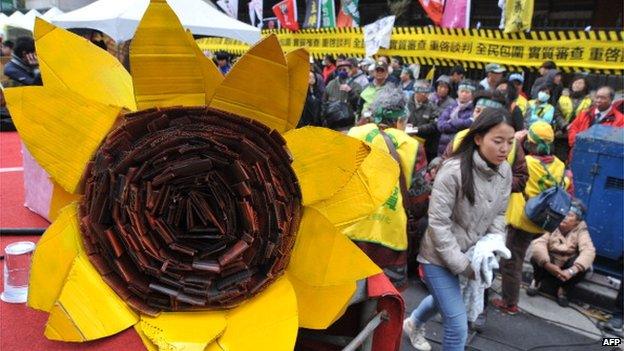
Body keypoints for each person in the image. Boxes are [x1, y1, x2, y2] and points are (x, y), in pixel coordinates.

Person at [403, 107, 514, 351]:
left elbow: (500, 212)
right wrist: (462, 265)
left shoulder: (505, 170)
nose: (505, 149)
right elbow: (438, 224)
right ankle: (415, 323)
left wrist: (493, 244)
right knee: (457, 323)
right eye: (498, 141)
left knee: (442, 300)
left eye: (510, 142)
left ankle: (413, 323)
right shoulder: (452, 171)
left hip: (473, 254)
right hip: (438, 257)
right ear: (478, 138)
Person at [442, 91, 528, 332]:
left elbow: (522, 177)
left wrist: (494, 184)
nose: (478, 115)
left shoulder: (512, 147)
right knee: (454, 268)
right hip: (459, 218)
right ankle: (447, 310)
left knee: (485, 267)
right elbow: (444, 169)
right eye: (477, 111)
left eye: (485, 112)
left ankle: (477, 312)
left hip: (491, 220)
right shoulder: (461, 137)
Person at [346, 86, 428, 289]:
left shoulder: (354, 133)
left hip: (350, 230)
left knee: (345, 295)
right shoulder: (412, 145)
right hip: (389, 237)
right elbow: (418, 201)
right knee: (384, 298)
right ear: (401, 119)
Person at [492, 121, 571, 315]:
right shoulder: (559, 165)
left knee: (511, 262)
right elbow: (566, 183)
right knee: (514, 257)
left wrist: (516, 142)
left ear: (531, 143)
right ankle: (509, 297)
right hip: (541, 221)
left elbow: (506, 167)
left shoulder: (528, 163)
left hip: (522, 219)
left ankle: (510, 303)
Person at [527, 198, 596, 307]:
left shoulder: (581, 229)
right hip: (550, 263)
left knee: (584, 266)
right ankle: (536, 281)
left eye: (570, 215)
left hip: (566, 269)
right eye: (565, 214)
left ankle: (563, 290)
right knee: (536, 257)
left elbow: (589, 250)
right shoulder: (552, 222)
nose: (565, 217)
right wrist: (547, 264)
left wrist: (572, 270)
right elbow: (538, 243)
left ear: (577, 221)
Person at [568, 86, 624, 150]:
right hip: (579, 152)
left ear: (611, 100)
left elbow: (618, 141)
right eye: (597, 97)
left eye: (603, 98)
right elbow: (573, 129)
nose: (598, 100)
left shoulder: (620, 119)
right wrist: (580, 143)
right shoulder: (584, 114)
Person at [436, 80, 475, 156]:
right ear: (458, 92)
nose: (464, 94)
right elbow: (440, 125)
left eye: (467, 92)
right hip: (443, 148)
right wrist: (460, 124)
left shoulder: (473, 110)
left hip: (460, 148)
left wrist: (450, 122)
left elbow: (469, 124)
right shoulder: (451, 107)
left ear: (472, 95)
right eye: (462, 91)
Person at [407, 80, 440, 163]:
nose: (426, 95)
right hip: (406, 140)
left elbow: (434, 125)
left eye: (427, 93)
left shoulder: (432, 107)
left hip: (424, 144)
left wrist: (417, 129)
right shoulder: (406, 103)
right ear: (416, 92)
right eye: (423, 93)